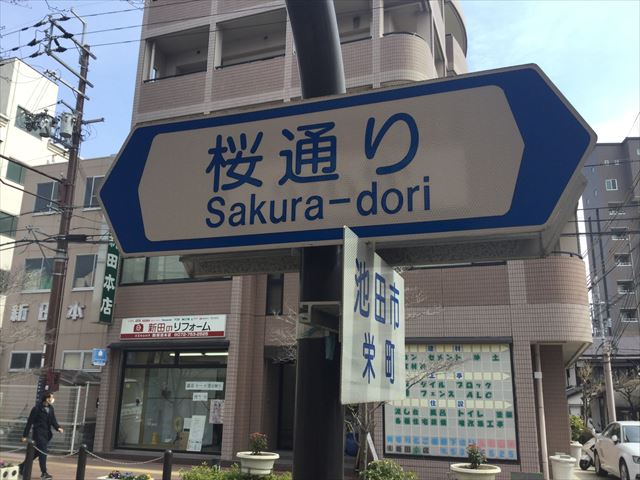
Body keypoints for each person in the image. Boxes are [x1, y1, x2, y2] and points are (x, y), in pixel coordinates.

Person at [19, 392, 63, 479]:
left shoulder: (51, 408)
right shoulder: (36, 409)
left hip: (47, 435)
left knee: (35, 454)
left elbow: (53, 420)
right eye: (51, 397)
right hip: (38, 434)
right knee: (43, 452)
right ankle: (44, 473)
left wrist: (58, 428)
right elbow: (29, 422)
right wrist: (25, 435)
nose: (52, 399)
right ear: (47, 399)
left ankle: (21, 467)